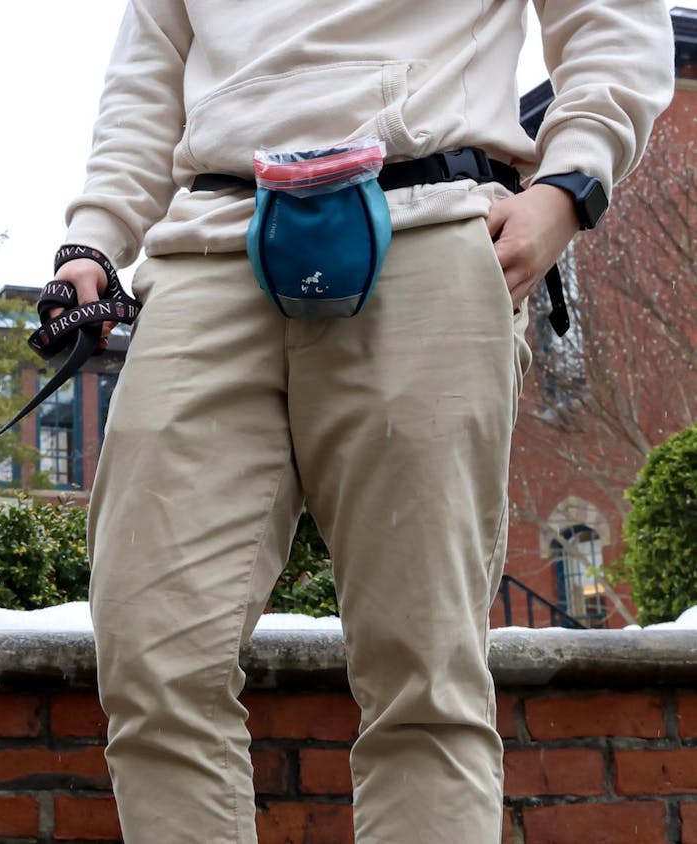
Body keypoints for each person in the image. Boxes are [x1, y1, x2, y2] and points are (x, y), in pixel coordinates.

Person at [48, 2, 675, 841]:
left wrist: (568, 188)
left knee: (425, 673)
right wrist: (94, 237)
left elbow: (610, 20)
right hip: (208, 248)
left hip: (426, 221)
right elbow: (151, 68)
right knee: (151, 659)